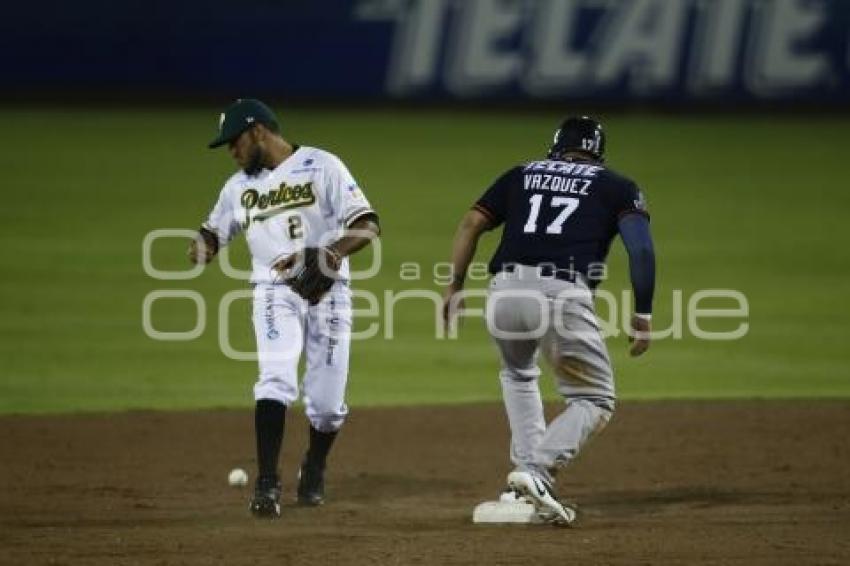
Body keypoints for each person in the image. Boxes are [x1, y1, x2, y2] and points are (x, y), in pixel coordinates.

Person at [442, 117, 655, 526]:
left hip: (503, 291)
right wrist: (642, 312)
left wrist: (453, 286)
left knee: (518, 374)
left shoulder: (522, 173)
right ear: (597, 151)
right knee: (594, 399)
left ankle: (521, 487)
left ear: (555, 147)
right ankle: (536, 472)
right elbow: (640, 250)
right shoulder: (617, 186)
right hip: (560, 293)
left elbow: (471, 223)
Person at [188, 99, 380, 518]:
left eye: (233, 141)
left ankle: (314, 464)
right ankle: (268, 483)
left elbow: (367, 224)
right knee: (275, 379)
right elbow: (212, 232)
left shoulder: (322, 165)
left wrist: (326, 254)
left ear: (258, 131)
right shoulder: (237, 187)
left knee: (327, 408)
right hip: (273, 293)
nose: (231, 152)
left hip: (330, 292)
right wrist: (203, 246)